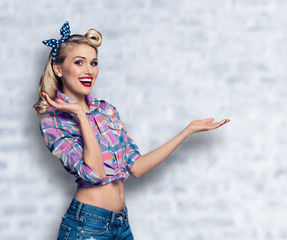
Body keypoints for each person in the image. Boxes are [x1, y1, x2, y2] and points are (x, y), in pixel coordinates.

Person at [33, 21, 229, 240]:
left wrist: (187, 131)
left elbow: (136, 167)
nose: (89, 70)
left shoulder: (106, 110)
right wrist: (80, 114)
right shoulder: (53, 121)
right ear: (58, 68)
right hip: (86, 227)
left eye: (94, 63)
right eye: (79, 62)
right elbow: (95, 173)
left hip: (121, 224)